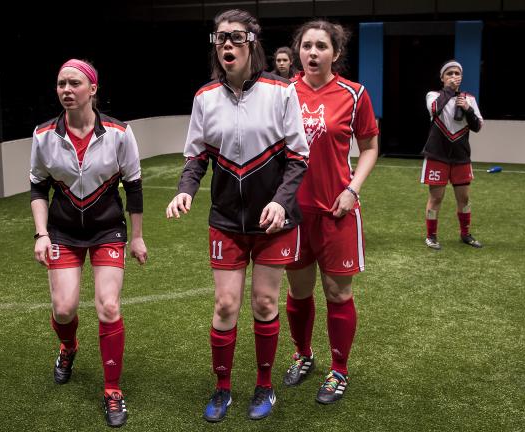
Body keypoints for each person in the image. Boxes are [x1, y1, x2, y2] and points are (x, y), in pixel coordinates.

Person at [165, 9, 309, 422]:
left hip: (273, 222)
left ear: (253, 43)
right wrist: (184, 191)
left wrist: (281, 201)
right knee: (226, 304)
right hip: (226, 220)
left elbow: (298, 157)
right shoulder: (204, 98)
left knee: (264, 302)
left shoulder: (281, 92)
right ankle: (223, 388)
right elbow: (196, 157)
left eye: (235, 37)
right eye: (220, 38)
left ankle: (264, 386)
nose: (227, 44)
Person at [30, 58, 148, 428]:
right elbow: (38, 185)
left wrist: (138, 236)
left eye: (74, 83)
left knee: (108, 306)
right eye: (61, 83)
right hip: (63, 232)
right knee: (64, 309)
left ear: (92, 89)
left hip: (106, 231)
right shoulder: (43, 135)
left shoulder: (118, 132)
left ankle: (112, 389)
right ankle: (68, 347)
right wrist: (42, 233)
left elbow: (134, 185)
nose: (66, 90)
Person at [281, 20, 379, 405]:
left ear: (335, 53)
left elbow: (370, 146)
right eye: (307, 46)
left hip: (337, 211)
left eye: (321, 46)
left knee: (338, 292)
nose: (313, 53)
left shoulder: (354, 95)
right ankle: (303, 355)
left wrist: (353, 189)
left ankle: (339, 369)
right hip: (293, 213)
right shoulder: (284, 93)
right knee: (299, 291)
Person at [420, 60, 484, 250]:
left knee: (463, 199)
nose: (454, 77)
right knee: (436, 198)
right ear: (442, 78)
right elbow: (434, 109)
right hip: (437, 156)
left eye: (457, 73)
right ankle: (431, 236)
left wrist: (468, 109)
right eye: (449, 74)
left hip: (461, 157)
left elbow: (478, 126)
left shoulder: (468, 99)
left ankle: (465, 234)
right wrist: (449, 91)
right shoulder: (433, 95)